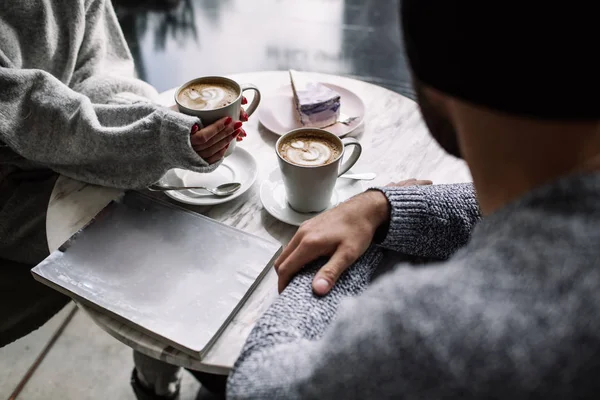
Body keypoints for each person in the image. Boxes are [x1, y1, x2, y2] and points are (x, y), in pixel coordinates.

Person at [227, 1, 600, 399]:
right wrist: (384, 209)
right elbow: (538, 211)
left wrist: (338, 256)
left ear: (429, 84)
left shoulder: (424, 335)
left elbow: (255, 385)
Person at [0, 0, 245, 398]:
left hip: (65, 156)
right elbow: (27, 114)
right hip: (9, 193)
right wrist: (152, 137)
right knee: (153, 249)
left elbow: (102, 76)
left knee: (178, 207)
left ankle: (162, 381)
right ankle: (218, 385)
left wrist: (146, 119)